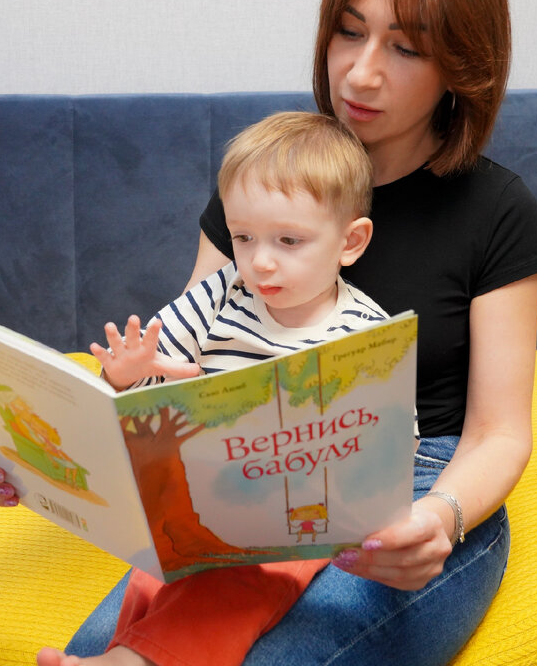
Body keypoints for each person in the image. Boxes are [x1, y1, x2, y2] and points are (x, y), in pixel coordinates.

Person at [0, 0, 537, 665]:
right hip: (241, 472)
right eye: (348, 32)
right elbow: (184, 373)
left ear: (459, 66)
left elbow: (500, 433)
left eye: (405, 47)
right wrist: (10, 441)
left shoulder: (496, 210)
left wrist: (440, 517)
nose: (360, 72)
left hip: (415, 484)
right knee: (103, 648)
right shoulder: (265, 185)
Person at [57, 111, 392, 666]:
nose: (260, 261)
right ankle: (127, 650)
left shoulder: (365, 334)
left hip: (295, 517)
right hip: (198, 498)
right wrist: (126, 375)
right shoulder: (222, 293)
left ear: (350, 242)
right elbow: (152, 386)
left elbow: (390, 448)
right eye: (243, 237)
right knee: (154, 574)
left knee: (245, 578)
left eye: (289, 240)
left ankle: (133, 661)